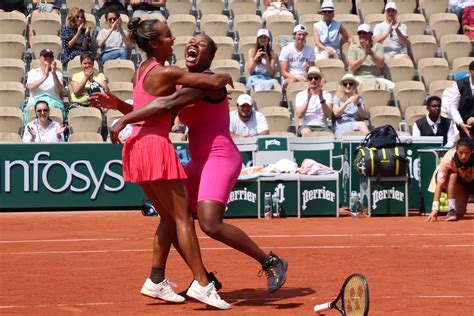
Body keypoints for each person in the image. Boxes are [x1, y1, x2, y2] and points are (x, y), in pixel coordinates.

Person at [101, 33, 288, 295]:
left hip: (221, 158)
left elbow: (167, 103)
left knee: (210, 224)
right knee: (178, 219)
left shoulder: (208, 84)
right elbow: (155, 115)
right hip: (197, 161)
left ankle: (269, 261)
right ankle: (203, 278)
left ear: (209, 57)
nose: (193, 45)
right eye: (191, 41)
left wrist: (125, 119)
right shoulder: (181, 84)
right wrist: (119, 106)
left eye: (201, 45)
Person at [90, 19, 233, 309]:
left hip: (136, 147)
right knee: (183, 218)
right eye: (168, 36)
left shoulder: (142, 70)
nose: (174, 39)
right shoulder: (167, 71)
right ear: (155, 43)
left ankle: (156, 280)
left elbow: (146, 110)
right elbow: (213, 82)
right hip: (154, 146)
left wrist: (119, 106)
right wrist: (226, 75)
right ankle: (203, 284)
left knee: (168, 218)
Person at [427, 138, 474, 222]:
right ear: (456, 150)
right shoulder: (448, 159)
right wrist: (435, 209)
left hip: (464, 181)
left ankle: (455, 210)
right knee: (453, 175)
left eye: (466, 153)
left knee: (460, 212)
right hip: (448, 180)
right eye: (460, 153)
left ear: (472, 151)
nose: (463, 156)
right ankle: (451, 209)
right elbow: (439, 185)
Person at [348, 24, 394, 91]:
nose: (361, 35)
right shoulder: (353, 47)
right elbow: (352, 67)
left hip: (376, 77)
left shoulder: (378, 46)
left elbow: (381, 65)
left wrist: (370, 52)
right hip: (359, 77)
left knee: (393, 87)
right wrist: (365, 55)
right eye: (359, 33)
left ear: (370, 34)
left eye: (364, 33)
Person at [24, 49, 65, 124]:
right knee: (32, 110)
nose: (48, 59)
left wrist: (54, 73)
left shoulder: (58, 73)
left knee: (56, 111)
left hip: (54, 101)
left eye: (50, 57)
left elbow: (59, 90)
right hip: (35, 101)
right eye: (45, 56)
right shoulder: (33, 72)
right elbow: (30, 87)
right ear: (40, 58)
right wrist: (44, 77)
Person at [295, 67, 333, 136]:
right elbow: (300, 115)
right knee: (307, 133)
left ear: (320, 80)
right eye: (310, 78)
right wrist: (308, 99)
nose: (313, 80)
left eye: (316, 78)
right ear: (307, 80)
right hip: (306, 126)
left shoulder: (326, 94)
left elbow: (328, 115)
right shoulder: (300, 95)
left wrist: (321, 99)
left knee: (330, 136)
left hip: (322, 126)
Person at [332, 73, 369, 138]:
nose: (348, 86)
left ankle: (369, 146)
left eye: (351, 84)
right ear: (342, 86)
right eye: (345, 84)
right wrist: (347, 102)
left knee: (361, 126)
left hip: (354, 122)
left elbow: (363, 115)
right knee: (362, 125)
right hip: (341, 123)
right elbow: (336, 113)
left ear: (354, 86)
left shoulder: (359, 98)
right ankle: (371, 144)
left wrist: (358, 104)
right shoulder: (337, 97)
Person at [447, 61, 474, 139]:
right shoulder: (459, 85)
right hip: (464, 125)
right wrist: (460, 123)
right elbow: (453, 107)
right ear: (471, 72)